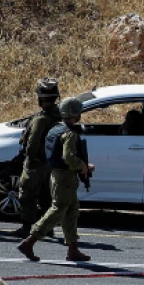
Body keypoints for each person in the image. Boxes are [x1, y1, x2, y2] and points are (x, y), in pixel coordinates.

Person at [17, 97, 95, 263]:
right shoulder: (69, 133)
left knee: (72, 210)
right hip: (65, 177)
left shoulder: (55, 129)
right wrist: (84, 166)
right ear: (75, 114)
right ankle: (30, 241)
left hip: (57, 174)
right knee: (58, 209)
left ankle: (72, 248)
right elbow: (68, 157)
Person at [13, 78, 63, 237]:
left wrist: (29, 158)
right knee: (46, 196)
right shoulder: (58, 115)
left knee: (27, 193)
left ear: (41, 97)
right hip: (51, 162)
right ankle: (47, 227)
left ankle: (26, 226)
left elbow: (33, 142)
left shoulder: (41, 118)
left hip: (37, 162)